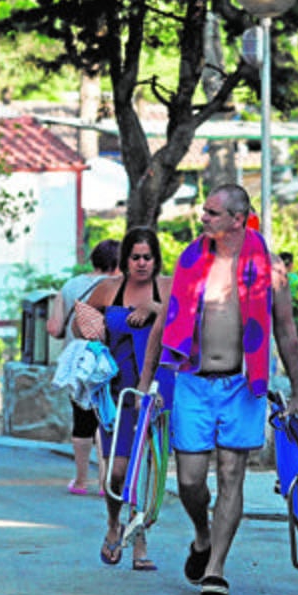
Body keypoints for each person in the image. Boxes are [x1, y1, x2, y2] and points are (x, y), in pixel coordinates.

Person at [138, 183, 298, 595]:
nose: (203, 218)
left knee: (233, 474)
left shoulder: (269, 268)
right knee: (191, 482)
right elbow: (164, 324)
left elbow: (287, 332)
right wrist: (146, 383)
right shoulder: (191, 260)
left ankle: (215, 568)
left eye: (212, 213)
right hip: (194, 384)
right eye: (204, 211)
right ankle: (202, 536)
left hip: (243, 385)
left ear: (238, 218)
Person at [79, 227, 173, 571]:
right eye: (136, 257)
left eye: (148, 257)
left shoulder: (167, 288)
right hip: (118, 390)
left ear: (156, 258)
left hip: (156, 390)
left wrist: (155, 309)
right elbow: (81, 323)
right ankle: (113, 522)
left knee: (145, 466)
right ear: (125, 259)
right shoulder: (108, 289)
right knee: (117, 471)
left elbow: (187, 324)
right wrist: (92, 329)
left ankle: (140, 539)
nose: (142, 263)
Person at [46, 238, 121, 495]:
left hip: (78, 363)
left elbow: (54, 328)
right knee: (106, 419)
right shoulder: (119, 287)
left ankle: (80, 481)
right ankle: (105, 482)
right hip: (109, 362)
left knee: (82, 422)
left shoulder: (69, 286)